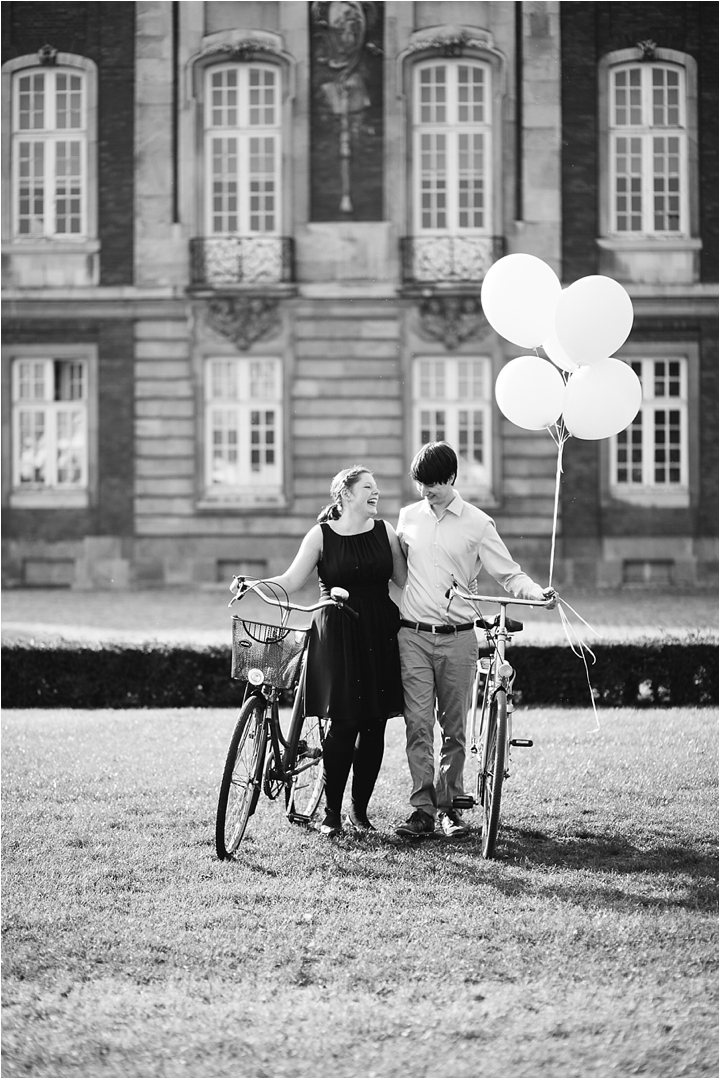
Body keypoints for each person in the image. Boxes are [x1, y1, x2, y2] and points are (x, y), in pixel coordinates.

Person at [395, 441, 556, 839]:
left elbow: (509, 574)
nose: (425, 492)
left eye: (432, 484)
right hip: (411, 635)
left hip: (458, 639)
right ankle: (422, 810)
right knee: (417, 726)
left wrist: (537, 594)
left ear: (451, 478)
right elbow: (394, 573)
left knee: (454, 728)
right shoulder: (407, 517)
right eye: (420, 484)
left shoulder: (478, 524)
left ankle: (450, 809)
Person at [258, 465, 406, 837]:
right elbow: (292, 580)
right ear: (345, 494)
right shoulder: (320, 535)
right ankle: (331, 813)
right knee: (345, 723)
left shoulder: (385, 531)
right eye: (368, 487)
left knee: (374, 725)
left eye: (377, 486)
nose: (376, 493)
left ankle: (360, 812)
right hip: (337, 632)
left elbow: (406, 581)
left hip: (380, 629)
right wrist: (254, 584)